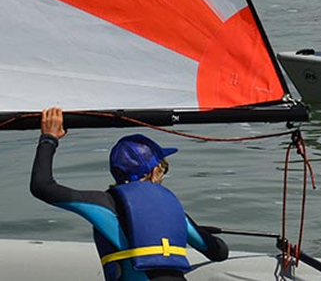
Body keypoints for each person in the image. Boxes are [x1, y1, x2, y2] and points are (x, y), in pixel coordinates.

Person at [31, 107, 228, 281]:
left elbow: (42, 186)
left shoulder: (104, 203)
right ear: (154, 172)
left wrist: (49, 138)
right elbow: (219, 252)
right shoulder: (175, 211)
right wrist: (187, 231)